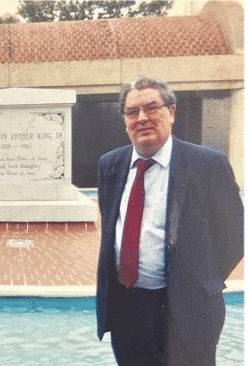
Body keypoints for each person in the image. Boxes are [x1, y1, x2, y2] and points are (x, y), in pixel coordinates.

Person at [96, 77, 243, 366]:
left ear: (172, 112)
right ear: (124, 120)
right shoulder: (109, 165)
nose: (142, 118)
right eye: (132, 112)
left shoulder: (207, 164)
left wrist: (199, 281)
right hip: (128, 311)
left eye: (152, 107)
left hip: (188, 310)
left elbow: (235, 235)